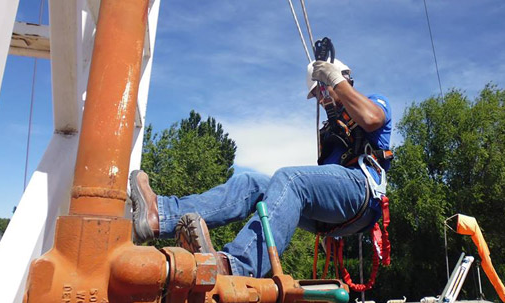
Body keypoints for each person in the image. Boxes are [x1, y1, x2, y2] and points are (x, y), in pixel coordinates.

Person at [130, 59, 392, 278]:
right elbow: (323, 186)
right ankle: (159, 216)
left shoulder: (375, 102)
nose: (321, 100)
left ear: (343, 79)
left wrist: (335, 80)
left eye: (323, 91)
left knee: (292, 179)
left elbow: (370, 120)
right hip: (334, 216)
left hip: (363, 193)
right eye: (317, 95)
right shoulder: (329, 133)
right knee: (252, 183)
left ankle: (237, 266)